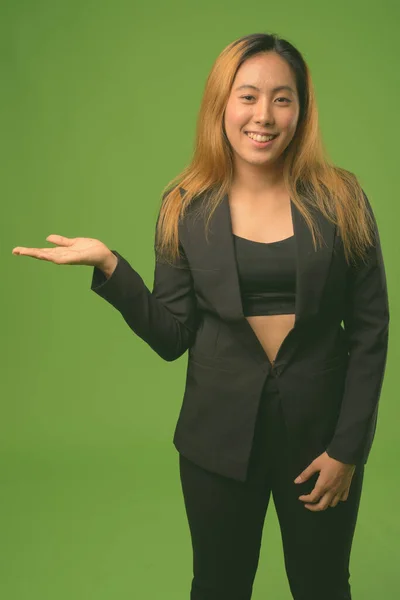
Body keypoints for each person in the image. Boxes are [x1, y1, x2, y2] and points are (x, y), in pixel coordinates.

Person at [12, 32, 389, 600]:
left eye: (282, 98)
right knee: (218, 585)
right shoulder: (185, 205)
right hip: (217, 442)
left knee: (322, 585)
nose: (264, 115)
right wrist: (111, 266)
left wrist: (347, 450)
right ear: (221, 104)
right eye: (248, 96)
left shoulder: (343, 199)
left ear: (302, 109)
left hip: (320, 443)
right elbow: (172, 336)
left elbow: (370, 331)